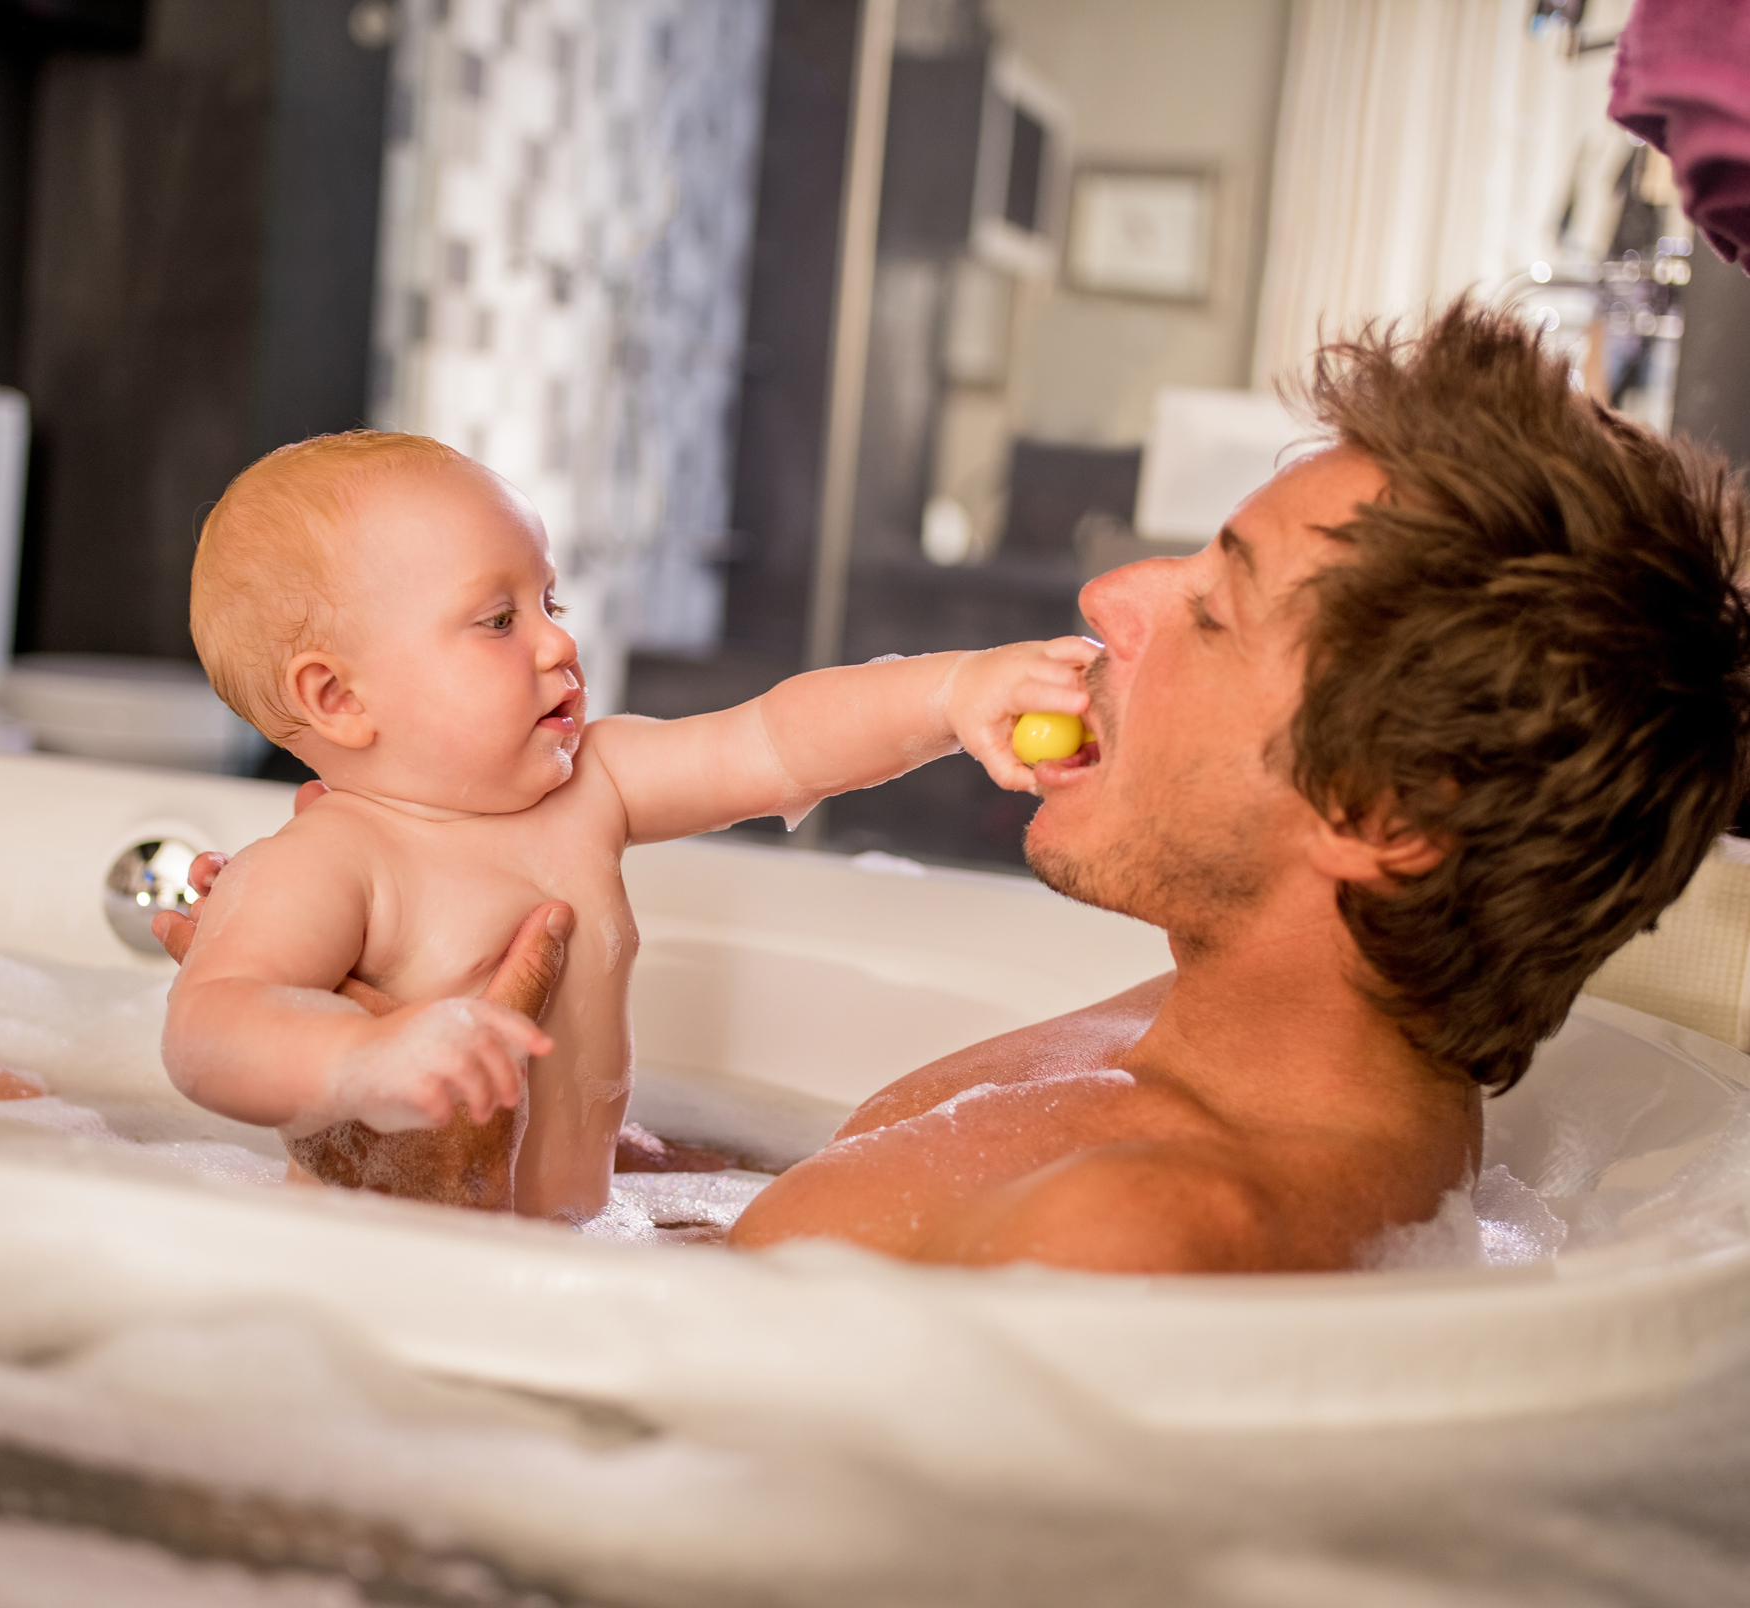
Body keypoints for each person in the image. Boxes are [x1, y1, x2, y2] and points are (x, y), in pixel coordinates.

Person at [727, 300, 1750, 1271]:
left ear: (1377, 812)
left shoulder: (1131, 1236)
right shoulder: (1221, 1033)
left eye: (1212, 613)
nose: (1105, 598)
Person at [162, 430, 1094, 1222]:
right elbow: (212, 1025)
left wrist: (949, 690)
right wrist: (359, 1060)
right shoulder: (335, 861)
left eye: (549, 603)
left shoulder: (590, 786)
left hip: (576, 1249)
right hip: (376, 1270)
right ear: (338, 697)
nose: (559, 641)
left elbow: (773, 741)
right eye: (497, 620)